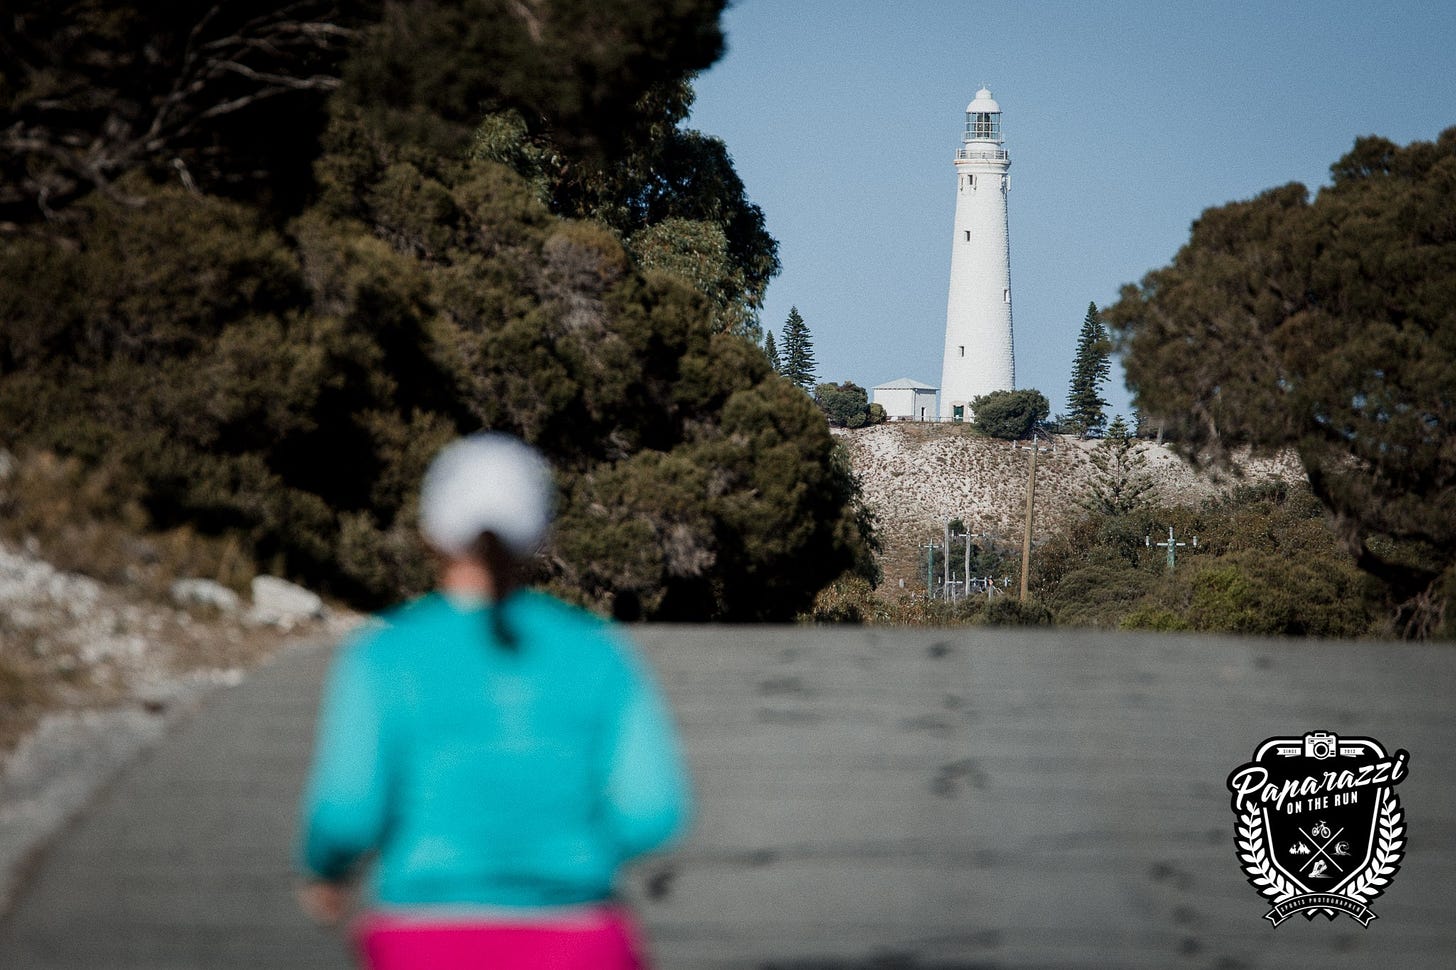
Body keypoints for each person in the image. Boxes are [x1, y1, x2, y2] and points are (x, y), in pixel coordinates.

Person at [296, 433, 691, 969]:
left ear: (432, 531)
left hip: (424, 936)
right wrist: (573, 852)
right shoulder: (598, 653)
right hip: (576, 936)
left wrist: (329, 874)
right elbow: (651, 810)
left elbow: (346, 812)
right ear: (537, 532)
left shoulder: (384, 654)